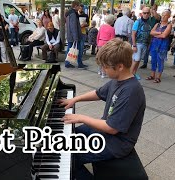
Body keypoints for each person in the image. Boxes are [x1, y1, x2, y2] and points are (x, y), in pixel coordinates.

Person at [58, 38, 146, 180]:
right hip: (105, 131)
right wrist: (75, 99)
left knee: (70, 158)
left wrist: (81, 117)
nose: (102, 69)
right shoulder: (117, 80)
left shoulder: (131, 91)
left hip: (117, 143)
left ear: (120, 66)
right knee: (71, 135)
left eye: (105, 66)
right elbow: (98, 93)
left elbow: (112, 128)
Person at [145, 10, 172, 83]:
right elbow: (151, 32)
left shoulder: (169, 25)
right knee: (153, 60)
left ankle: (158, 77)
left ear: (169, 16)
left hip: (163, 45)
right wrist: (160, 32)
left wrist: (156, 34)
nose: (163, 16)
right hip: (154, 44)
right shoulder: (157, 24)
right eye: (162, 15)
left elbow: (164, 35)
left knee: (160, 60)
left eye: (165, 15)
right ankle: (152, 75)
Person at [64, 1, 87, 69]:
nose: (80, 7)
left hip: (70, 35)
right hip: (74, 36)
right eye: (79, 6)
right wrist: (75, 38)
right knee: (78, 49)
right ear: (76, 6)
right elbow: (73, 26)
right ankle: (79, 64)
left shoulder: (69, 13)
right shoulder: (73, 14)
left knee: (70, 49)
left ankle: (68, 63)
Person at [131, 7, 152, 80]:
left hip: (145, 44)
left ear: (149, 13)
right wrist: (134, 45)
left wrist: (149, 44)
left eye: (147, 13)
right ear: (141, 13)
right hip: (137, 43)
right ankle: (130, 76)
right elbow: (133, 34)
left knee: (138, 60)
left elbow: (150, 34)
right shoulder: (138, 22)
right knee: (136, 60)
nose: (146, 14)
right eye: (144, 13)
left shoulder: (150, 22)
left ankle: (134, 73)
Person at [139, 4, 161, 69]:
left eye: (154, 9)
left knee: (153, 49)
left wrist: (153, 11)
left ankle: (154, 62)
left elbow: (158, 18)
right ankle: (145, 62)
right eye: (152, 8)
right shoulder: (148, 17)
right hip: (147, 34)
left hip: (154, 35)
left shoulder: (157, 16)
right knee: (146, 49)